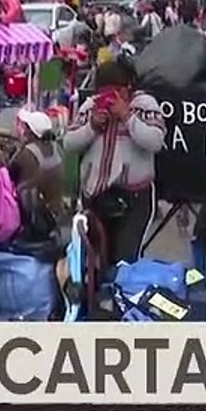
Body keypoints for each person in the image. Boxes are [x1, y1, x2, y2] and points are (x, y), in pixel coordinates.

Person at [62, 61, 166, 264]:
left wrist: (127, 116)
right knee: (96, 257)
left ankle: (120, 291)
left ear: (128, 88)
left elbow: (155, 141)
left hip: (133, 197)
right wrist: (91, 126)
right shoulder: (91, 106)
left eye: (118, 91)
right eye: (106, 92)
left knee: (125, 259)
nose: (111, 98)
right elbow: (69, 143)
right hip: (96, 194)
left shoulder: (145, 105)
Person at [9, 109, 65, 217]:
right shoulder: (56, 148)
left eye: (25, 126)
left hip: (31, 216)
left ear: (30, 131)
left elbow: (8, 177)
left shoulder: (27, 154)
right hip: (53, 212)